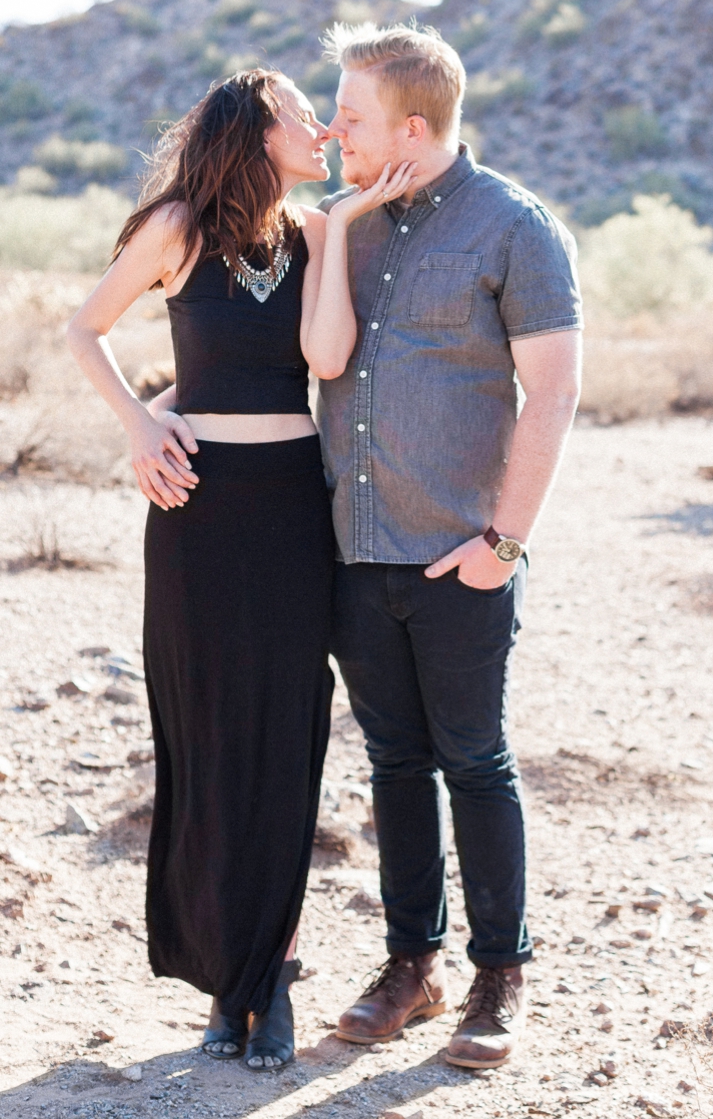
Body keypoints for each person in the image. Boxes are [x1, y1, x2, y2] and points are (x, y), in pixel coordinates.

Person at [67, 69, 413, 1071]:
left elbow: (327, 358)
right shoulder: (176, 224)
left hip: (291, 507)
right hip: (197, 508)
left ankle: (274, 976)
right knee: (209, 735)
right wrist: (143, 422)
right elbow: (84, 326)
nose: (320, 127)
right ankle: (232, 980)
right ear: (255, 129)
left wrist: (343, 222)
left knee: (284, 737)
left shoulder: (312, 232)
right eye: (302, 114)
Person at [317, 23, 583, 1068]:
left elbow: (554, 391)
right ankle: (410, 965)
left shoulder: (513, 225)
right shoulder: (344, 225)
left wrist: (502, 542)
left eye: (350, 116)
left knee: (474, 760)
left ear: (411, 128)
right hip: (353, 550)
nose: (333, 129)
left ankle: (497, 974)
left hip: (459, 555)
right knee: (392, 764)